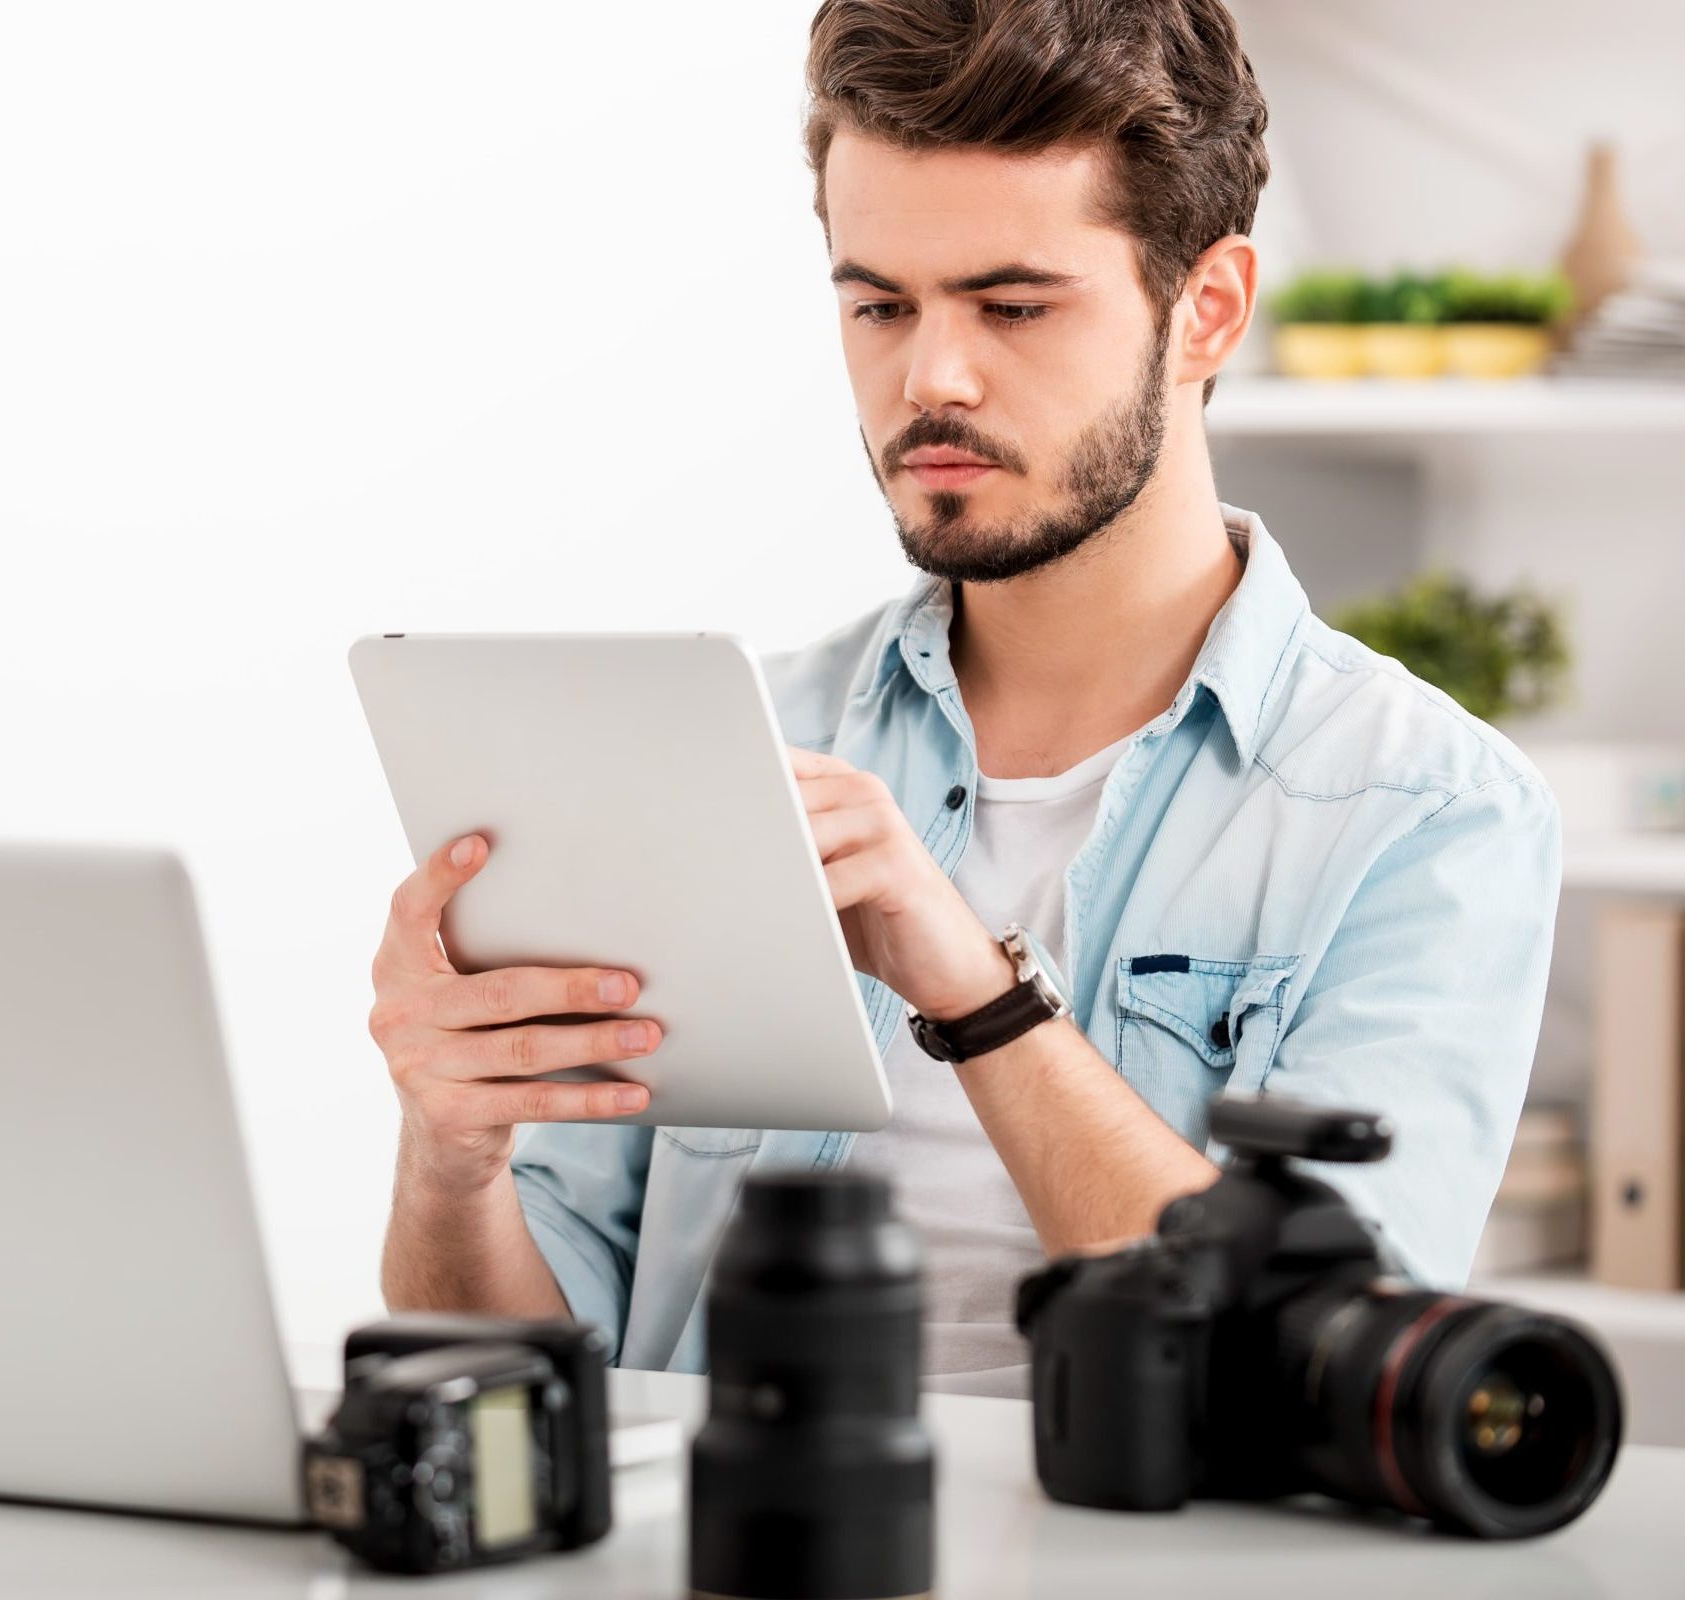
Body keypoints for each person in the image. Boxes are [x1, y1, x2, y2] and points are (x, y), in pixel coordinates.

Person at [366, 0, 1560, 1396]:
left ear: (1207, 310)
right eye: (878, 304)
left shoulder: (1427, 816)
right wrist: (452, 1158)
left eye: (1011, 305)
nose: (929, 377)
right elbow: (526, 1374)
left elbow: (1315, 1368)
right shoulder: (734, 750)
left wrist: (974, 994)